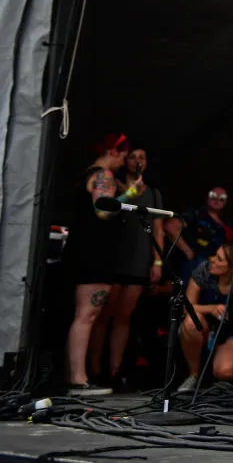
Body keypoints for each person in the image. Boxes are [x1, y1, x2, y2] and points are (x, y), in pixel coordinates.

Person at [61, 133, 134, 396]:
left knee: (85, 315)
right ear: (114, 151)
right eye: (124, 156)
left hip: (86, 251)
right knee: (86, 315)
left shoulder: (90, 174)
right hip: (94, 253)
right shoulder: (103, 175)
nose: (124, 161)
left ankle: (78, 376)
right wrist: (131, 195)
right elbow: (103, 211)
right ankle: (78, 380)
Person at [87, 147, 165, 390]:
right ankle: (94, 370)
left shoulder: (153, 193)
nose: (137, 161)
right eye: (133, 156)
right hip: (115, 256)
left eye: (142, 157)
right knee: (102, 315)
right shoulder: (114, 184)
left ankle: (115, 371)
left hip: (139, 257)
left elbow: (159, 228)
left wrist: (158, 260)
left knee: (124, 317)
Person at [176, 243, 233, 393]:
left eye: (219, 259)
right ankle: (193, 375)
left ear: (231, 267)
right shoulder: (204, 271)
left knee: (225, 370)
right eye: (215, 255)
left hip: (231, 330)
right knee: (190, 322)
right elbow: (187, 306)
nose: (212, 260)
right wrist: (211, 309)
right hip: (205, 324)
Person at [170, 187, 233, 285]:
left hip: (217, 269)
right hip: (196, 264)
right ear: (207, 197)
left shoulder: (227, 221)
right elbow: (170, 226)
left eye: (222, 198)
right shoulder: (196, 214)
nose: (217, 200)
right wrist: (188, 252)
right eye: (213, 196)